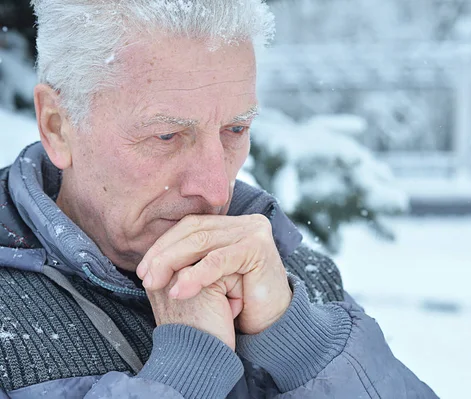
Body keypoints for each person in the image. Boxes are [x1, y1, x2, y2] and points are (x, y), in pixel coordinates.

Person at [0, 1, 438, 398]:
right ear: (58, 126)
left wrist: (300, 345)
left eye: (235, 130)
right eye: (166, 135)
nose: (215, 188)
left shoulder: (296, 279)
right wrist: (187, 375)